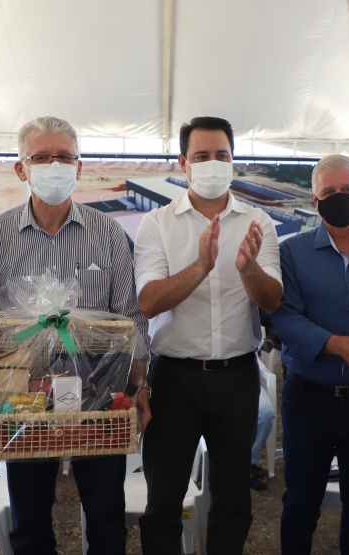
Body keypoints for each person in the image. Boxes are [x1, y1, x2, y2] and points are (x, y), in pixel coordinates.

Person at [0, 116, 149, 555]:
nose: (54, 165)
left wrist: (140, 386)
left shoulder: (107, 233)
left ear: (79, 166)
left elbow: (130, 317)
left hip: (99, 390)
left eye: (64, 157)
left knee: (106, 515)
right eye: (41, 157)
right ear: (21, 169)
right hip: (20, 394)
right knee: (30, 517)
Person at [134, 116, 282, 554]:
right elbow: (148, 302)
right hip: (174, 381)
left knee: (234, 500)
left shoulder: (259, 222)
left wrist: (248, 268)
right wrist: (200, 266)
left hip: (237, 377)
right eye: (202, 156)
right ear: (184, 163)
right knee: (163, 502)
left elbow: (272, 301)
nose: (212, 163)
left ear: (233, 162)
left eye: (222, 155)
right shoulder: (157, 224)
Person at [269, 154, 349, 554]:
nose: (339, 197)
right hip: (308, 399)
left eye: (347, 190)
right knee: (300, 504)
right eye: (330, 192)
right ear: (315, 199)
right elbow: (283, 317)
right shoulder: (290, 253)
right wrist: (341, 346)